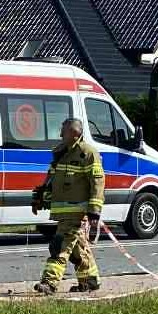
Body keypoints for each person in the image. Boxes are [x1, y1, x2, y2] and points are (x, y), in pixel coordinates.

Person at [33, 117, 103, 295]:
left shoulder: (87, 153)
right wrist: (40, 197)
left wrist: (94, 210)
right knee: (77, 249)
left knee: (60, 245)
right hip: (62, 211)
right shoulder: (60, 153)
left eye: (63, 130)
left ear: (74, 133)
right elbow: (51, 180)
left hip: (77, 211)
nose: (60, 134)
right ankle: (90, 280)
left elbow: (97, 182)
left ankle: (49, 282)